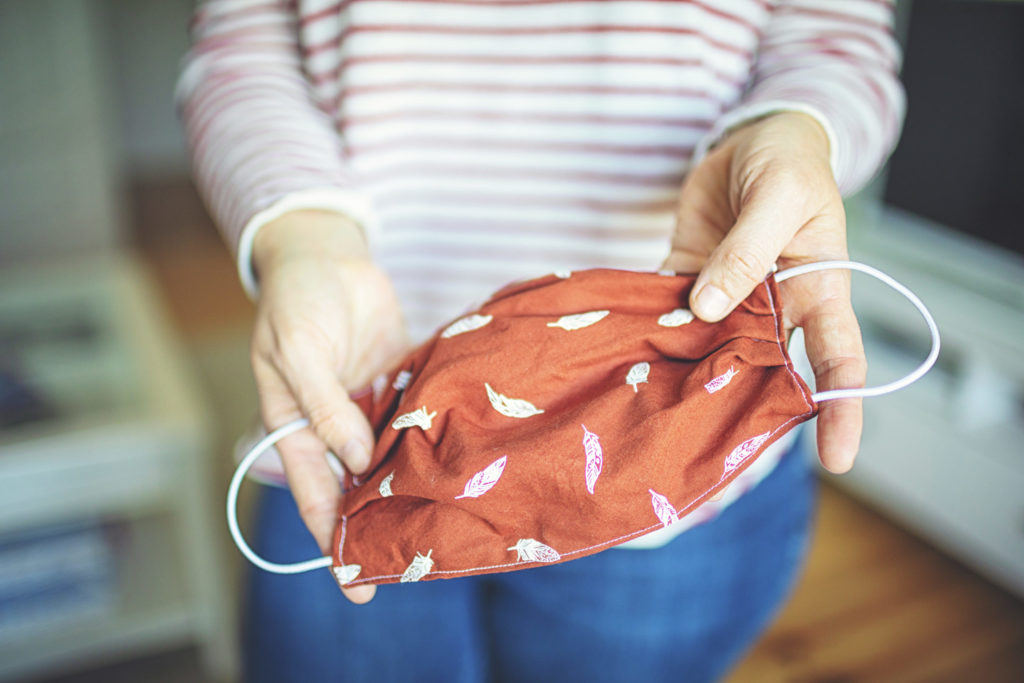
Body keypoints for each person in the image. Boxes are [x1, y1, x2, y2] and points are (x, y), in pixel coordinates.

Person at [177, 1, 904, 680]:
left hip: (673, 445)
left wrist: (795, 129)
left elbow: (833, 41)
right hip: (350, 415)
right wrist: (301, 236)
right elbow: (244, 53)